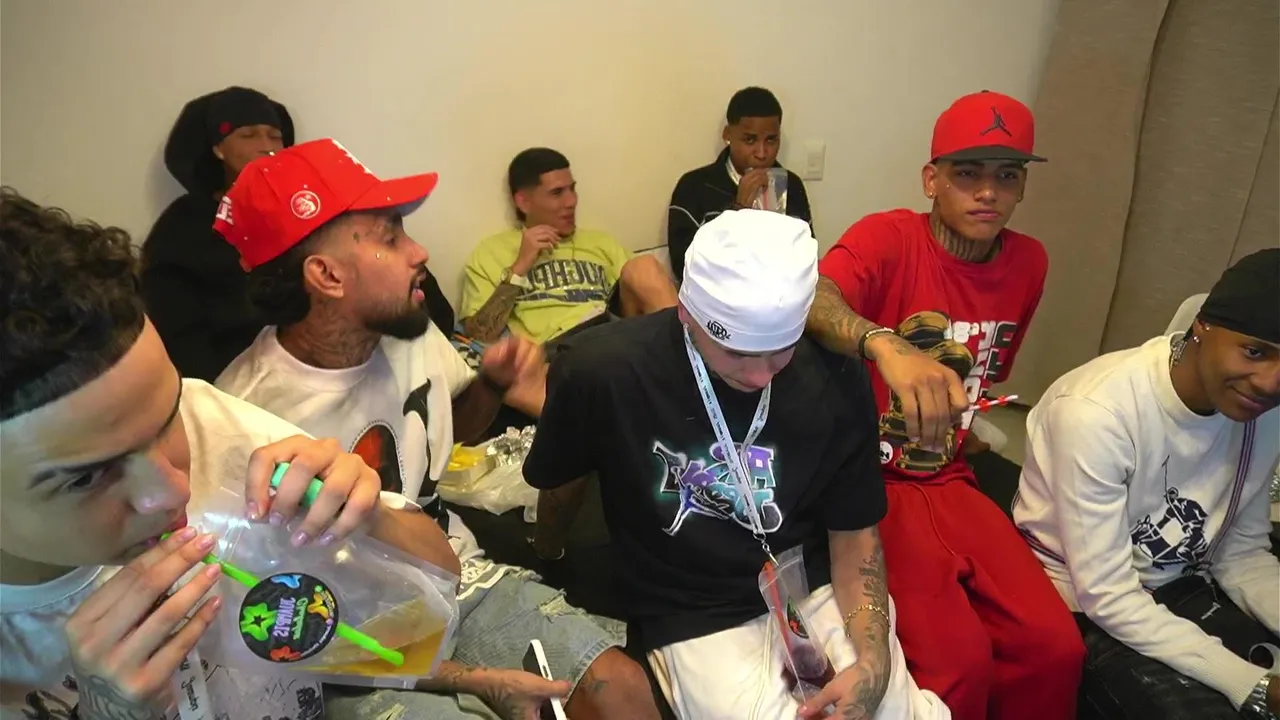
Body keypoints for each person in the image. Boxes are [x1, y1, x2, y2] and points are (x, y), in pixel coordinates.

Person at [213, 138, 660, 720]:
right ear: (326, 275)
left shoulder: (412, 331)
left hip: (457, 575)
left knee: (620, 688)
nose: (419, 251)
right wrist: (471, 682)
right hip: (348, 634)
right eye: (391, 237)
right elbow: (276, 625)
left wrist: (491, 386)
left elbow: (454, 434)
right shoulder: (247, 418)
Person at [0, 187, 462, 719]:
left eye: (168, 416)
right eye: (85, 479)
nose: (174, 489)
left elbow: (434, 592)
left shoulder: (213, 422)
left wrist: (371, 516)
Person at [524, 209, 950, 720]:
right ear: (687, 313)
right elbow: (561, 482)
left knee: (896, 711)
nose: (759, 375)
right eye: (735, 352)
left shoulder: (834, 371)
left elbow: (854, 536)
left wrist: (874, 665)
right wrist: (548, 552)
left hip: (809, 582)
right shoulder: (602, 371)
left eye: (780, 351)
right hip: (694, 610)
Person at [804, 90, 1082, 720]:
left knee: (1056, 649)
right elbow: (814, 299)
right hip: (868, 477)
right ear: (932, 180)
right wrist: (884, 344)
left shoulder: (1029, 262)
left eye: (1006, 176)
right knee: (958, 664)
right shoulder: (887, 238)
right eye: (967, 173)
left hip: (949, 474)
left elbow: (986, 376)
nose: (987, 192)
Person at [1015, 248, 1280, 720]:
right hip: (1084, 607)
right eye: (1254, 352)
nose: (1269, 383)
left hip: (1184, 585)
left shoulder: (1264, 412)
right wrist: (1254, 686)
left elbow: (1241, 553)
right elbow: (1108, 595)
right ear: (1203, 325)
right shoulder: (1095, 412)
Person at [140, 86, 293, 382]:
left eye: (275, 136)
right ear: (218, 149)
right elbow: (175, 324)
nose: (266, 146)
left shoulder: (300, 212)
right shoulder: (185, 224)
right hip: (223, 383)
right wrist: (216, 394)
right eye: (248, 135)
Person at [460, 147, 677, 347]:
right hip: (558, 352)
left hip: (612, 337)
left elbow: (644, 293)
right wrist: (520, 267)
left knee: (644, 266)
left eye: (572, 189)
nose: (571, 201)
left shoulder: (600, 243)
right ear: (524, 202)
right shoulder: (490, 252)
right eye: (557, 193)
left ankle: (687, 355)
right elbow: (479, 335)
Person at [667, 86, 813, 283]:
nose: (762, 153)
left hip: (782, 295)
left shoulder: (791, 186)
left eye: (771, 140)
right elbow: (684, 267)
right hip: (719, 297)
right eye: (750, 140)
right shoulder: (694, 187)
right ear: (727, 135)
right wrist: (738, 211)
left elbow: (808, 260)